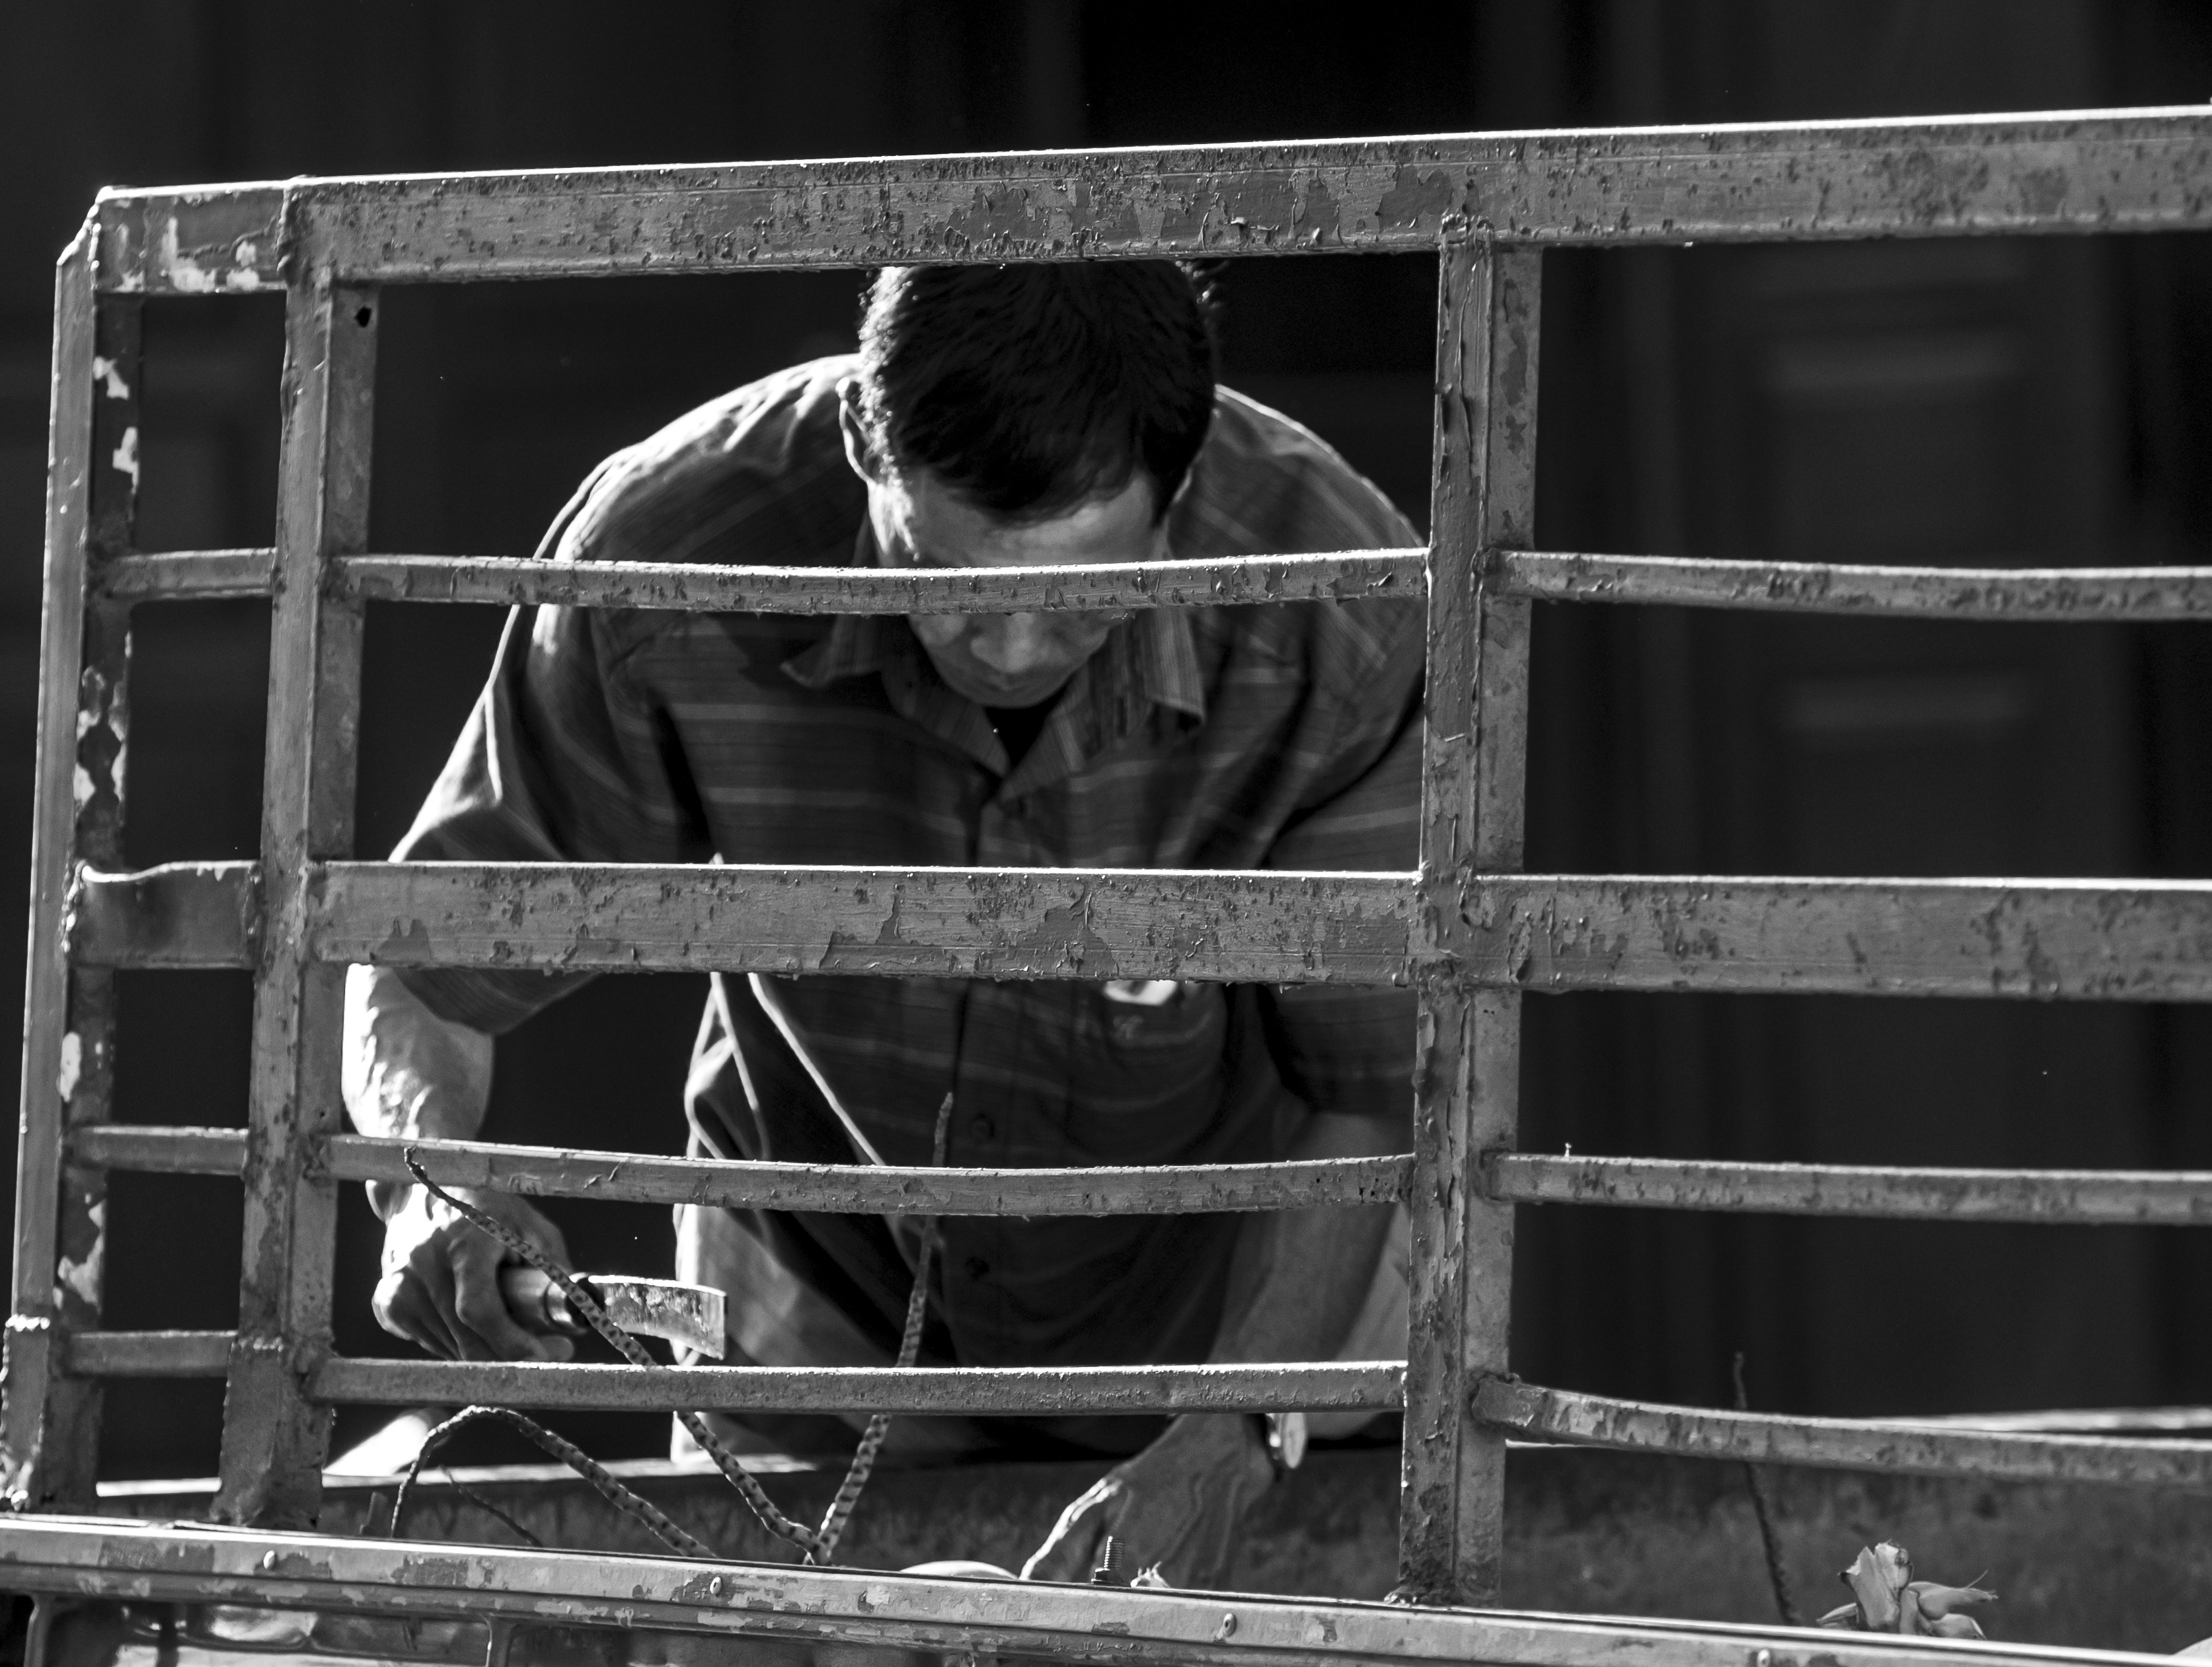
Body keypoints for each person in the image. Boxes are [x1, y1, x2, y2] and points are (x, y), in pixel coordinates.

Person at [349, 260, 1420, 1588]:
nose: (1017, 649)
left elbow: (1370, 1096)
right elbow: (426, 965)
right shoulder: (668, 556)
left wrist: (1235, 1428)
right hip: (815, 1320)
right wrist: (432, 1189)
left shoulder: (1346, 613)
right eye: (954, 578)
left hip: (1240, 1318)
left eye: (1083, 598)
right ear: (867, 439)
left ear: (1177, 501)